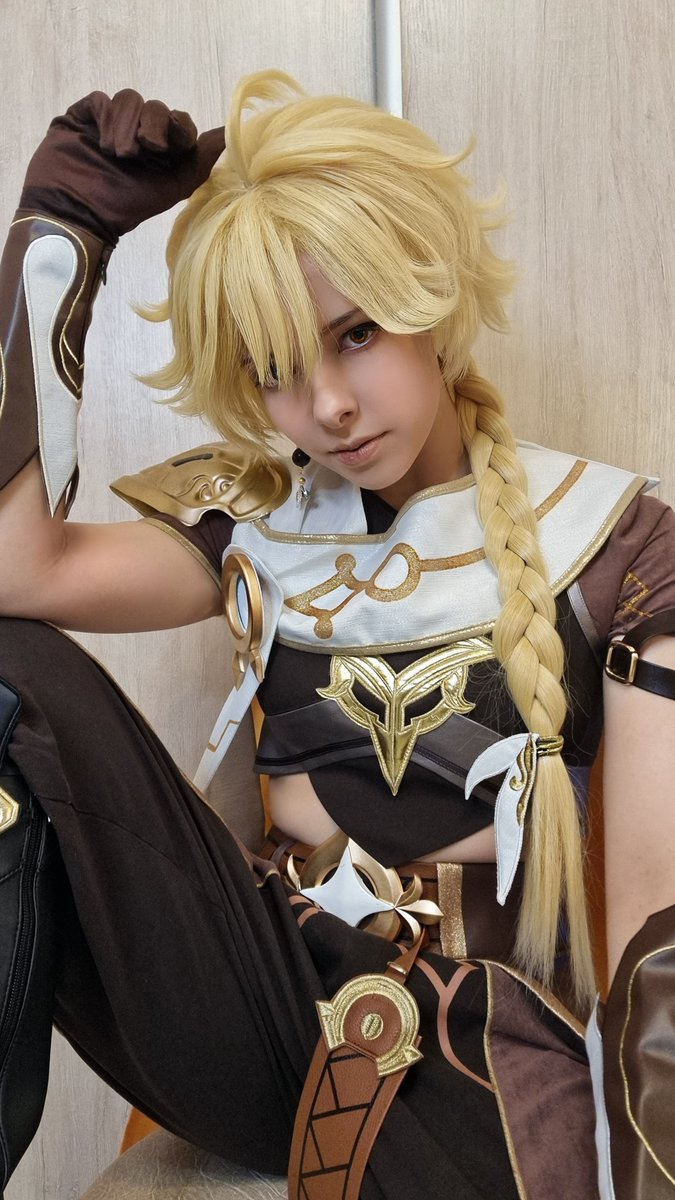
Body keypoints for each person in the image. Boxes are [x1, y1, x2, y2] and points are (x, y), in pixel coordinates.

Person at [0, 69, 673, 1200]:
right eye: (275, 370)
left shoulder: (620, 540)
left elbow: (658, 915)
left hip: (489, 1057)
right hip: (273, 1010)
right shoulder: (253, 527)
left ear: (432, 296)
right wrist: (58, 241)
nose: (327, 407)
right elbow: (18, 571)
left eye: (355, 333)